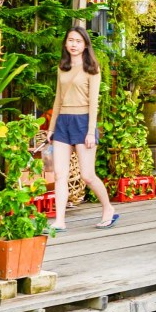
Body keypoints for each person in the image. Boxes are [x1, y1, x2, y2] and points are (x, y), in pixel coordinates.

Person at [46, 26, 119, 231]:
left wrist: (90, 131)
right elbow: (58, 99)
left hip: (83, 122)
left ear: (85, 45)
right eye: (70, 40)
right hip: (63, 123)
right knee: (60, 175)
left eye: (78, 41)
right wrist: (51, 128)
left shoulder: (92, 69)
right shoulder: (62, 67)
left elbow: (94, 103)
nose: (74, 44)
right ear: (66, 43)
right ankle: (60, 220)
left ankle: (108, 209)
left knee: (87, 175)